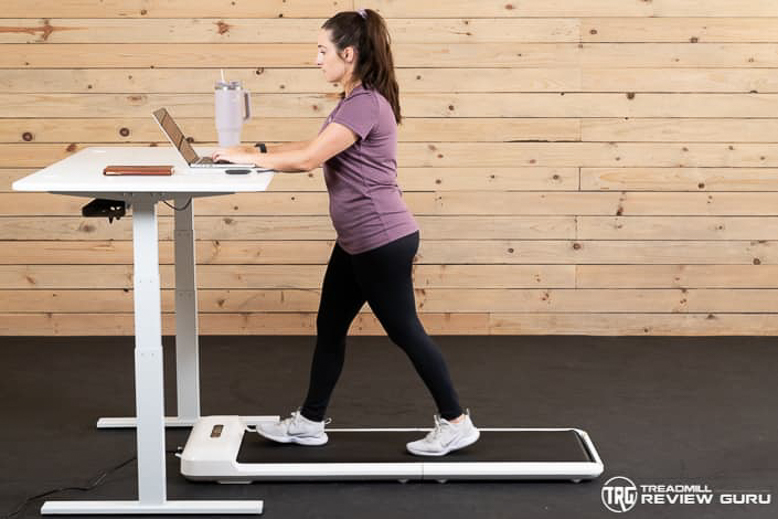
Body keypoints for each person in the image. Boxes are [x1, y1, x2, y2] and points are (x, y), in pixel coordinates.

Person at [212, 8, 479, 456]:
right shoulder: (354, 100)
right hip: (357, 240)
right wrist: (252, 150)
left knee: (405, 331)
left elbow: (307, 160)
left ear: (349, 54)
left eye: (322, 51)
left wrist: (249, 159)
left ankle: (457, 421)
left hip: (381, 239)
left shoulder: (365, 103)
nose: (317, 60)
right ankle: (310, 422)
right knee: (330, 326)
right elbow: (311, 147)